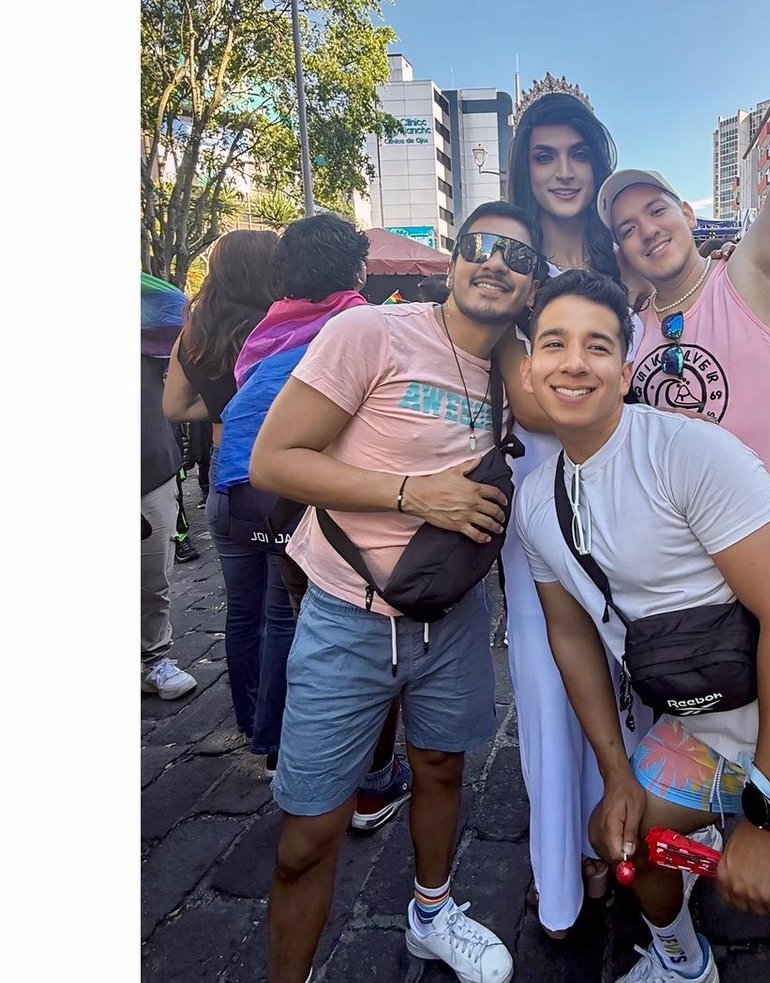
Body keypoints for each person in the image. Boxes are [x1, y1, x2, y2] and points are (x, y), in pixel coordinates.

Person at [514, 268, 770, 983]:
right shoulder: (538, 506)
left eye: (597, 346)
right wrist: (615, 774)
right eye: (554, 343)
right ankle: (682, 960)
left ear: (627, 365)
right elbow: (572, 635)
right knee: (630, 836)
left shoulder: (690, 454)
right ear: (529, 363)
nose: (574, 362)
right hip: (708, 721)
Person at [250, 201, 544, 983]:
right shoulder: (370, 332)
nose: (496, 263)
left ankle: (431, 910)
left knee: (442, 768)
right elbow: (273, 461)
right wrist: (414, 492)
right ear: (453, 257)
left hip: (451, 615)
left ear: (530, 285)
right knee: (309, 831)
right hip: (347, 613)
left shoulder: (513, 366)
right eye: (482, 245)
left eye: (518, 258)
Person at [597, 0, 770, 618]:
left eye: (657, 210)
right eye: (626, 228)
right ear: (620, 251)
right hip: (685, 577)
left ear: (688, 215)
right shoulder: (627, 335)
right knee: (700, 720)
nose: (645, 230)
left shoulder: (752, 277)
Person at [495, 90, 661, 938]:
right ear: (524, 168)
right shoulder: (507, 263)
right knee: (549, 684)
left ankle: (637, 840)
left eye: (577, 154)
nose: (563, 171)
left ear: (597, 162)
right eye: (543, 155)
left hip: (633, 495)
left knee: (639, 674)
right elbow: (523, 403)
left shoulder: (625, 260)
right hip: (540, 509)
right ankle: (568, 871)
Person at [218, 213, 410, 820]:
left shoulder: (264, 329)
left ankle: (277, 747)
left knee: (281, 625)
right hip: (313, 506)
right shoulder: (358, 320)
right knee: (355, 642)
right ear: (354, 268)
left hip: (241, 492)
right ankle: (366, 779)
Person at [163, 229, 296, 755]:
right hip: (275, 476)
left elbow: (174, 407)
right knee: (283, 610)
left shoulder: (192, 333)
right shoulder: (281, 329)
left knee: (242, 611)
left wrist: (223, 413)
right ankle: (277, 731)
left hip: (222, 478)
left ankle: (248, 723)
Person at [142, 348, 198, 699]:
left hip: (147, 470)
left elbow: (174, 317)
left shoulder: (146, 317)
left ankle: (153, 658)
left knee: (151, 579)